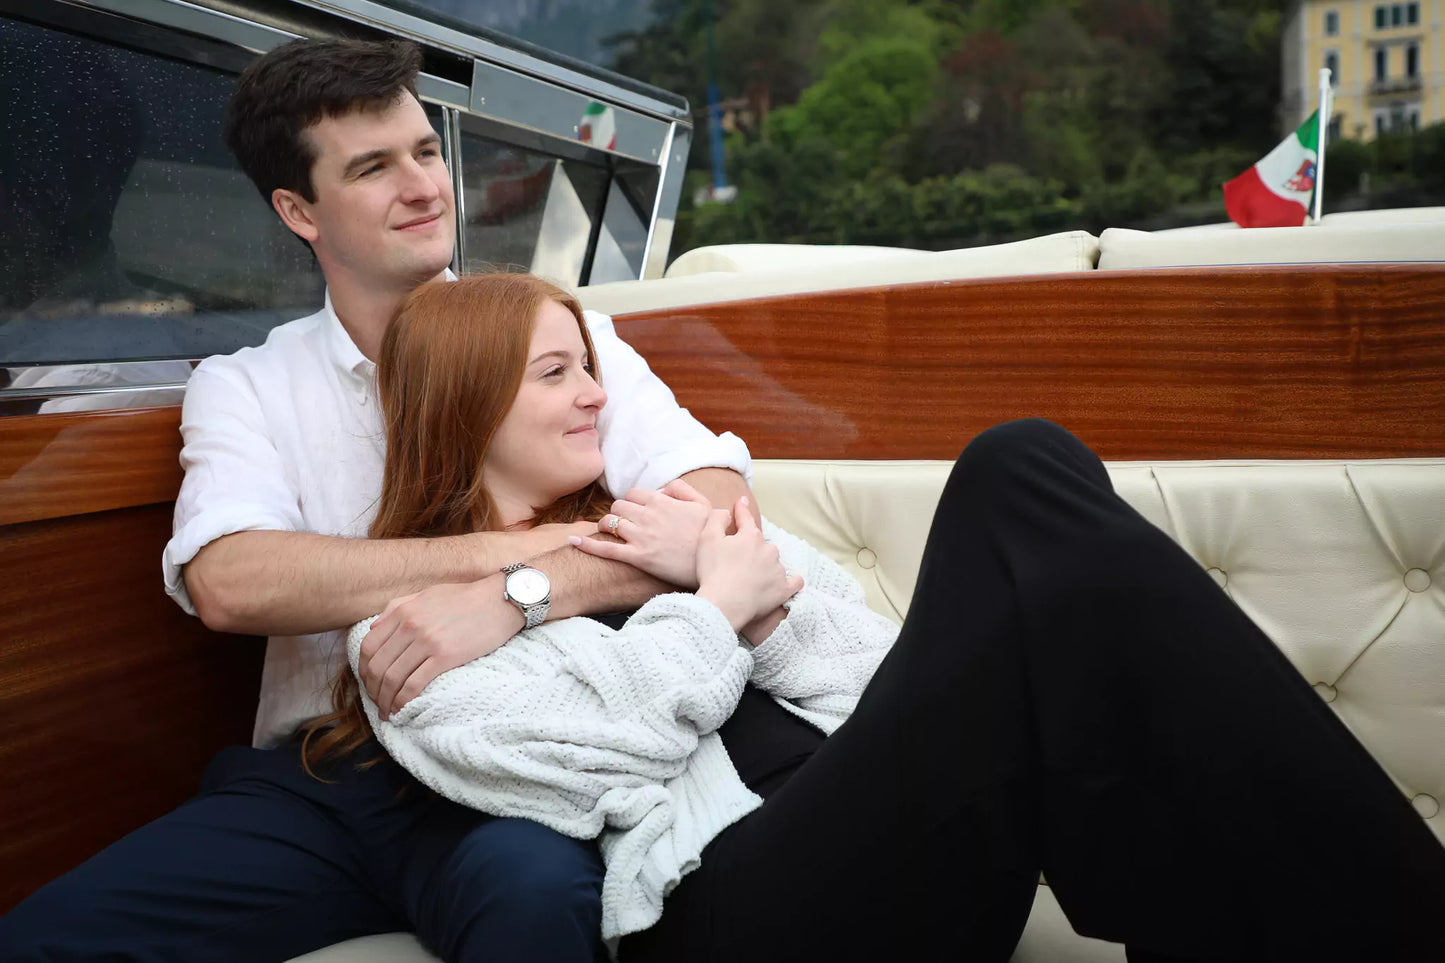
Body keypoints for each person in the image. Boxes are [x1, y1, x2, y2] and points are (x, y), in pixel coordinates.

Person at [328, 272, 1445, 963]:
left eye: (590, 368)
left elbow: (876, 681)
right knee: (1017, 472)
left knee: (1025, 465)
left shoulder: (667, 523)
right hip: (728, 917)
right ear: (467, 405)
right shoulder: (411, 633)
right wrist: (717, 605)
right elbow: (593, 763)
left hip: (895, 858)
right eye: (555, 373)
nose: (594, 395)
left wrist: (760, 618)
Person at [0, 38, 756, 962]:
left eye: (425, 151)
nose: (424, 185)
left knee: (532, 900)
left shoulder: (565, 334)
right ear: (296, 209)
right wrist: (498, 557)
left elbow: (712, 506)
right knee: (42, 938)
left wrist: (520, 602)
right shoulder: (247, 382)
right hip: (324, 773)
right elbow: (230, 579)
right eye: (372, 166)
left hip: (508, 762)